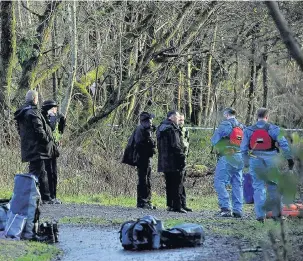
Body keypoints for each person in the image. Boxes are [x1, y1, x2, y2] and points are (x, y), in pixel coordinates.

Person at [241, 108, 294, 222]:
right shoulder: (274, 129)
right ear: (267, 117)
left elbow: (243, 149)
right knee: (274, 187)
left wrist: (245, 162)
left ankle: (260, 216)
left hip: (255, 160)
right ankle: (276, 215)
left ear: (257, 117)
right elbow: (284, 144)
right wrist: (289, 159)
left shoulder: (248, 130)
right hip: (271, 160)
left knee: (258, 187)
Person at [14, 90, 55, 204]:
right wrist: (47, 139)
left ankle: (43, 197)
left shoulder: (22, 113)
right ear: (35, 99)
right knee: (37, 174)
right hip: (37, 148)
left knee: (38, 172)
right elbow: (39, 131)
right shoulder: (33, 112)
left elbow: (20, 130)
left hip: (29, 147)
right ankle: (34, 198)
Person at [211, 108, 244, 218]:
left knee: (219, 182)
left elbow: (214, 141)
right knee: (237, 183)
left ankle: (225, 208)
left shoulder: (225, 124)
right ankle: (238, 210)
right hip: (240, 157)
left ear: (226, 114)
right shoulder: (242, 126)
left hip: (228, 156)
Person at [157, 111, 187, 213]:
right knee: (177, 184)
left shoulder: (161, 127)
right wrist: (182, 157)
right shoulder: (172, 129)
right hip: (174, 161)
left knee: (169, 184)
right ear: (172, 117)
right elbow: (176, 146)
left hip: (164, 161)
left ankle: (170, 205)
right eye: (178, 116)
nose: (179, 118)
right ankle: (177, 206)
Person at [41, 100, 65, 204]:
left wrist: (61, 119)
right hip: (45, 148)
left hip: (53, 148)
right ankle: (48, 196)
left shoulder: (57, 117)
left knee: (54, 173)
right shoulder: (44, 117)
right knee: (48, 172)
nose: (55, 110)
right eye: (53, 108)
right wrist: (52, 117)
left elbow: (60, 131)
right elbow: (49, 129)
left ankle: (53, 195)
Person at [133, 112, 156, 209]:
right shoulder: (142, 129)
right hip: (142, 158)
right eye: (150, 119)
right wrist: (151, 144)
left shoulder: (144, 129)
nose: (152, 121)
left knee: (146, 179)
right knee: (144, 180)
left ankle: (146, 200)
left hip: (144, 157)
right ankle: (143, 201)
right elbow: (140, 144)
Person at [178, 113, 192, 212]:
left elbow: (187, 144)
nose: (181, 122)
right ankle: (178, 204)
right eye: (180, 120)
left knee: (182, 182)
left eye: (182, 120)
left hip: (184, 159)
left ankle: (184, 203)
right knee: (178, 183)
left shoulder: (185, 130)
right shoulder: (174, 130)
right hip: (176, 159)